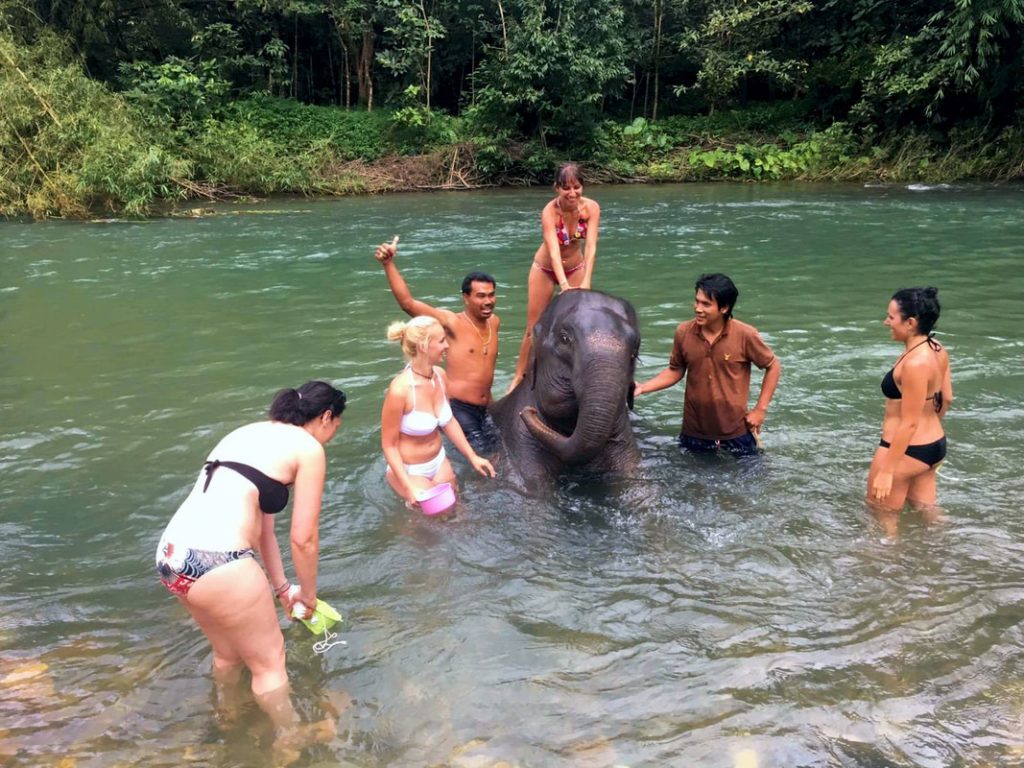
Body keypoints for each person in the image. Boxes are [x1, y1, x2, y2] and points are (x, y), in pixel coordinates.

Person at [155, 381, 347, 754]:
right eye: (336, 425)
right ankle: (292, 739)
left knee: (228, 654)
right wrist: (308, 595)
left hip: (172, 556)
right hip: (220, 561)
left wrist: (281, 589)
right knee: (270, 664)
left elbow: (264, 532)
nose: (333, 434)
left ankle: (229, 720)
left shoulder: (249, 433)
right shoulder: (308, 448)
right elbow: (303, 538)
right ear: (326, 416)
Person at [375, 239, 500, 454]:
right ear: (466, 298)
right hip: (460, 408)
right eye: (481, 296)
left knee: (502, 453)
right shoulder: (452, 323)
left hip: (486, 407)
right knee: (484, 461)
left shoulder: (494, 323)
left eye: (491, 295)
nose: (488, 301)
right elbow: (408, 303)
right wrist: (388, 264)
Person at [634, 273, 781, 456]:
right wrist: (643, 388)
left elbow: (773, 366)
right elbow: (676, 369)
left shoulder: (745, 335)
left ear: (724, 308)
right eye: (697, 301)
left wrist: (760, 410)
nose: (697, 308)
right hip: (694, 430)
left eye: (706, 304)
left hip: (736, 431)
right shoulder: (683, 332)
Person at [382, 316, 496, 508]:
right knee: (427, 530)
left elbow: (449, 421)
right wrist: (408, 486)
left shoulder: (440, 377)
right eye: (442, 341)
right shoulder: (400, 390)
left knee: (458, 512)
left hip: (438, 461)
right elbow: (389, 445)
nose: (447, 346)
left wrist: (472, 456)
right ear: (424, 346)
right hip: (410, 470)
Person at [509, 163, 601, 390]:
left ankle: (573, 373)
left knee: (577, 324)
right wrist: (563, 284)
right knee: (534, 327)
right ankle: (518, 377)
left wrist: (586, 280)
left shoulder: (591, 208)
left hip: (576, 267)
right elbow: (553, 249)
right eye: (566, 188)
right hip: (545, 269)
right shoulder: (549, 212)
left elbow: (590, 247)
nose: (572, 193)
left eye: (577, 187)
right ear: (556, 188)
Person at [867, 287, 952, 517]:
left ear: (911, 322)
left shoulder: (915, 364)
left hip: (905, 449)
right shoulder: (937, 349)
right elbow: (947, 399)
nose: (886, 322)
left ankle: (884, 555)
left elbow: (910, 423)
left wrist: (887, 471)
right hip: (933, 446)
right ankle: (948, 552)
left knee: (881, 518)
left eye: (891, 317)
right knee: (929, 515)